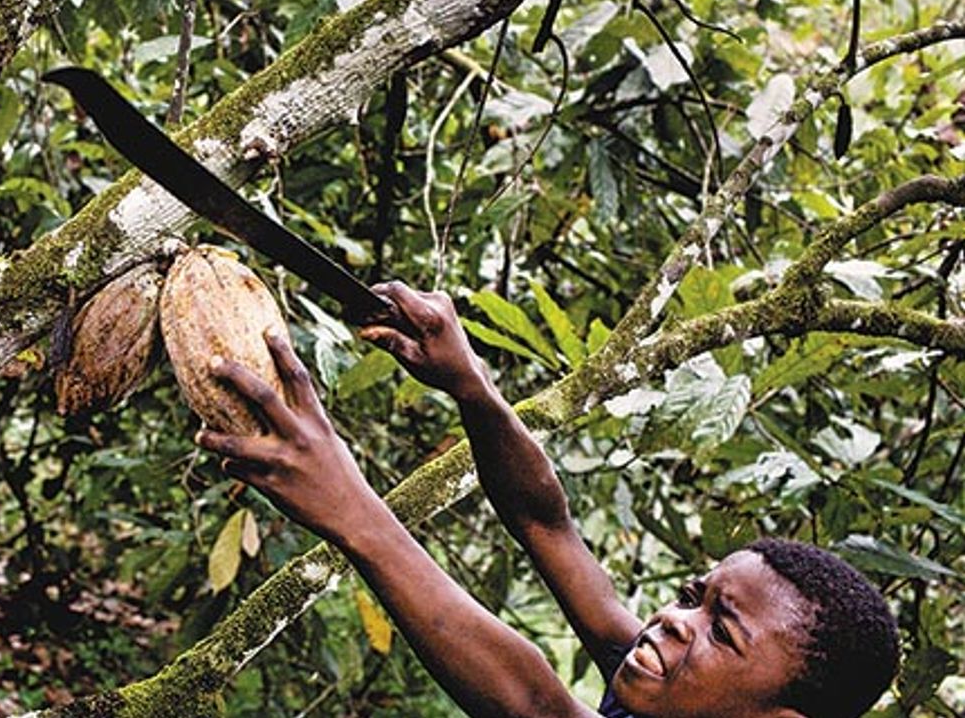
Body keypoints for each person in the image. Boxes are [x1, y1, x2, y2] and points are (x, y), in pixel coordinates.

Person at [196, 281, 901, 718]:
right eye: (694, 595)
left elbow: (535, 704)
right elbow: (545, 523)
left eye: (721, 633)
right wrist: (471, 384)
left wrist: (349, 509)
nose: (674, 620)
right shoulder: (675, 694)